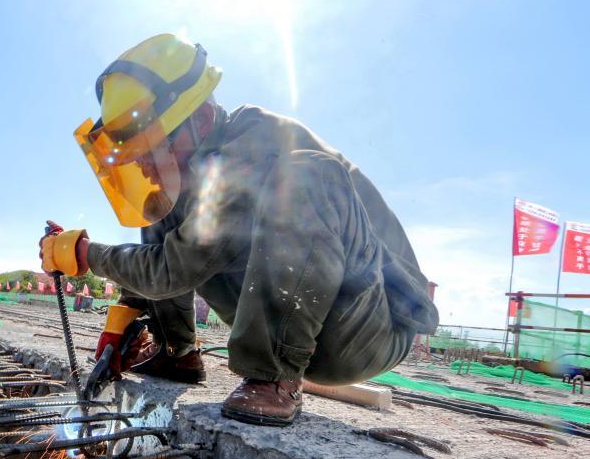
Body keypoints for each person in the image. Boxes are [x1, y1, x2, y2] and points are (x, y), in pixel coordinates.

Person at [39, 34, 438, 426]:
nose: (143, 165)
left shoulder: (254, 144)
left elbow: (173, 268)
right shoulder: (201, 165)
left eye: (151, 148)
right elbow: (175, 252)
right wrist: (125, 318)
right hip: (314, 317)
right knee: (162, 203)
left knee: (305, 175)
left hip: (370, 327)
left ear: (200, 118)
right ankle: (176, 352)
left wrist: (85, 254)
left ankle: (272, 375)